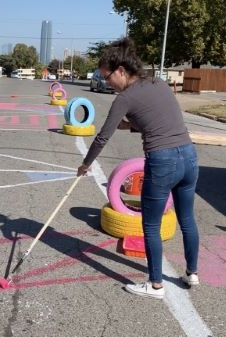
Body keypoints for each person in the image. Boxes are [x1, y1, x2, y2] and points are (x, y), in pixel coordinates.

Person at [76, 37, 200, 299]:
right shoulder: (158, 83)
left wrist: (86, 164)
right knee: (187, 218)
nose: (107, 83)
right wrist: (130, 126)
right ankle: (192, 273)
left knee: (151, 225)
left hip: (163, 161)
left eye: (107, 77)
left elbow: (101, 138)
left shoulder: (124, 98)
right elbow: (158, 119)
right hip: (188, 156)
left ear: (121, 71)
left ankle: (155, 285)